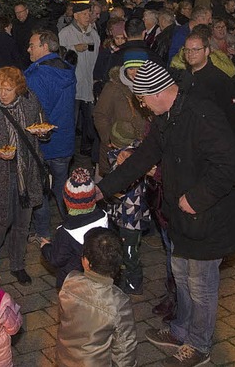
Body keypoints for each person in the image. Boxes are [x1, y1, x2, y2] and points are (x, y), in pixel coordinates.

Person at [97, 60, 235, 367]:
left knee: (201, 286)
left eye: (141, 99)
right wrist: (103, 188)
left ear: (157, 92)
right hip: (180, 218)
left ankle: (199, 346)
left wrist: (196, 197)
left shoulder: (201, 114)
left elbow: (233, 164)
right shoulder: (166, 117)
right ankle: (181, 330)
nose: (141, 106)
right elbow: (142, 159)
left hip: (208, 218)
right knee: (181, 276)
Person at [0, 66, 46, 285]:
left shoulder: (30, 102)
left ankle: (17, 265)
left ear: (19, 88)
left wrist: (43, 134)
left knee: (22, 224)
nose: (2, 93)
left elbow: (42, 126)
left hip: (27, 173)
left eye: (8, 89)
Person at [55, 227, 138, 367]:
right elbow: (124, 348)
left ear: (86, 262)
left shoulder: (70, 282)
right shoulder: (118, 302)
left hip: (65, 359)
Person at [24, 30, 77, 245]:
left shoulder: (37, 76)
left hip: (43, 142)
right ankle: (73, 227)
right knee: (61, 186)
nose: (29, 49)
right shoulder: (67, 70)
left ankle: (43, 233)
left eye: (32, 45)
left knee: (39, 188)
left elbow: (36, 110)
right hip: (64, 139)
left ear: (45, 47)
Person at [40, 168, 109, 289]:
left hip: (72, 282)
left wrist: (46, 247)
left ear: (67, 201)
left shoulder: (66, 231)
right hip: (98, 280)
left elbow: (56, 259)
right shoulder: (103, 217)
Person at [104, 121, 152, 296]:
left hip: (131, 216)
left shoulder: (127, 159)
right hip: (126, 213)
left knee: (130, 251)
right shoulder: (137, 153)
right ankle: (125, 275)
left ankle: (134, 283)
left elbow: (120, 183)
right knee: (124, 247)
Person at [58, 2, 100, 157]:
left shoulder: (93, 34)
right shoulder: (65, 33)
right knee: (71, 118)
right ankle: (68, 149)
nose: (88, 17)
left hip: (89, 82)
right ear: (75, 16)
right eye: (84, 14)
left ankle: (86, 147)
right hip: (73, 83)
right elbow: (61, 56)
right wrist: (74, 48)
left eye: (89, 14)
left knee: (90, 118)